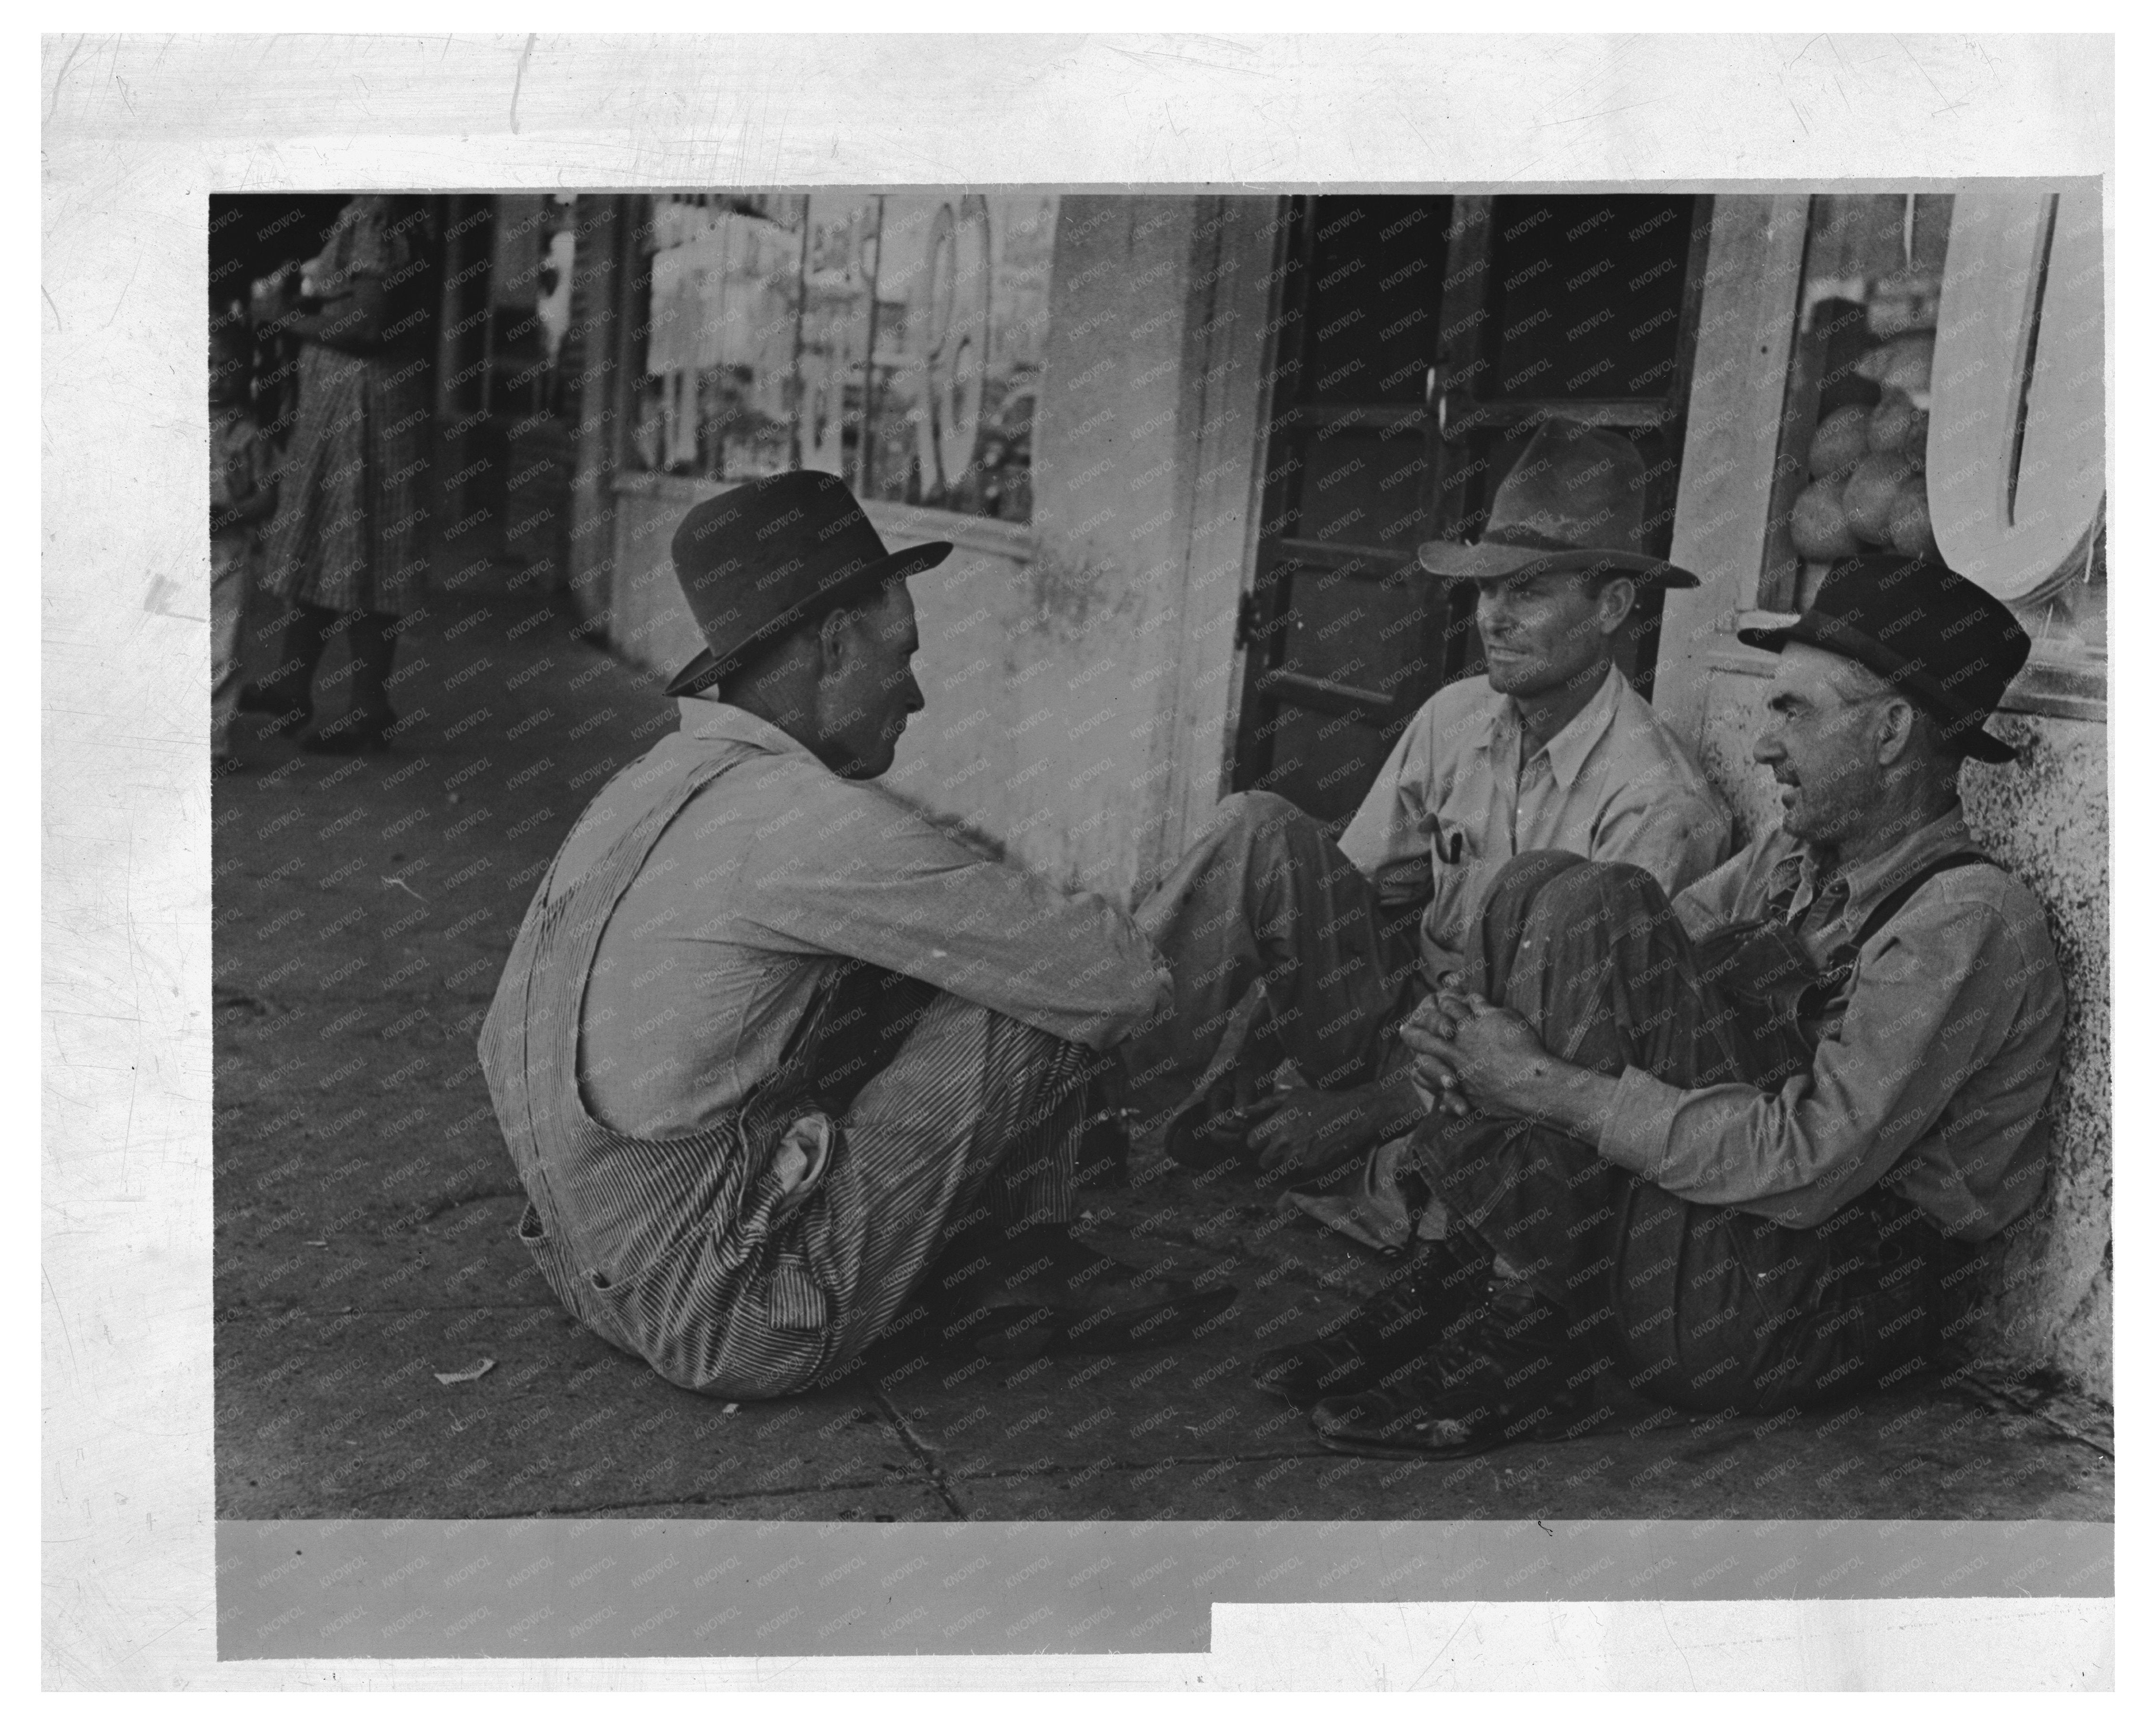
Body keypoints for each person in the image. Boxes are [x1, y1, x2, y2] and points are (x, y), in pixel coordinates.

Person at [1256, 555, 2066, 1458]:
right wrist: (1471, 1044)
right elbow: (1593, 975)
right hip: (1704, 1256)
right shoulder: (1791, 860)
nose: (1763, 745)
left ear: (1889, 733)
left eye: (1793, 710)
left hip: (1793, 1305)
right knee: (1544, 888)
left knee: (1597, 906)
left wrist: (1540, 1085)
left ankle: (1522, 1324)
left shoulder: (1963, 919)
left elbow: (1812, 1162)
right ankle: (1466, 1271)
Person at [480, 471, 1234, 1401]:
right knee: (1034, 990)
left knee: (929, 958)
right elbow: (1119, 981)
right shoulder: (801, 821)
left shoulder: (654, 782)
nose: (913, 695)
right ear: (833, 644)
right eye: (901, 654)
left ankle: (996, 1257)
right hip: (737, 1319)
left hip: (588, 1268)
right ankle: (1025, 1269)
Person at [1124, 419, 1728, 1209]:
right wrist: (1257, 1050)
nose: (1492, 617)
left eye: (1529, 589)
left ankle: (1370, 1161)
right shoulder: (1456, 715)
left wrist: (1367, 1109)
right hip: (1406, 1020)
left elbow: (1582, 1051)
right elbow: (1356, 896)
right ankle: (1095, 1084)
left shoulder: (1660, 802)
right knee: (1255, 824)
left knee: (1449, 1183)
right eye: (1486, 587)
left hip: (1516, 1080)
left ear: (1613, 603)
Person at [241, 195, 436, 754]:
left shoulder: (375, 215)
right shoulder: (395, 215)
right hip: (356, 399)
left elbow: (367, 325)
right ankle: (294, 683)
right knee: (326, 544)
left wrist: (280, 316)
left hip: (361, 404)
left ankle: (368, 708)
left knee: (360, 549)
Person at [210, 298, 277, 768]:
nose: (216, 377)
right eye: (207, 365)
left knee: (223, 647)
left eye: (227, 367)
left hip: (227, 553)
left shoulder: (250, 433)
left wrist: (233, 515)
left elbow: (269, 494)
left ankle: (213, 742)